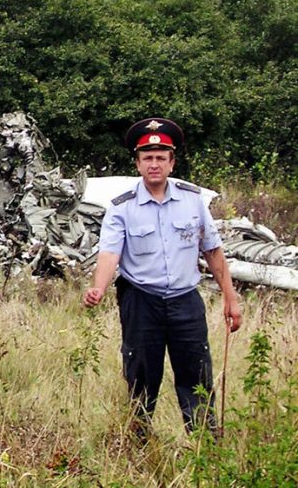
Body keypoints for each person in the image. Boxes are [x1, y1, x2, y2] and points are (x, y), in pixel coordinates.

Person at [83, 118, 242, 437]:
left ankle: (204, 448)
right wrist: (98, 288)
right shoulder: (121, 207)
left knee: (196, 378)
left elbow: (212, 250)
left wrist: (231, 298)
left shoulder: (193, 200)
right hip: (142, 302)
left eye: (160, 158)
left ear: (172, 162)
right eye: (147, 158)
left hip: (185, 302)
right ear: (138, 164)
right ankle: (138, 445)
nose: (154, 164)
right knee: (141, 378)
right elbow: (110, 253)